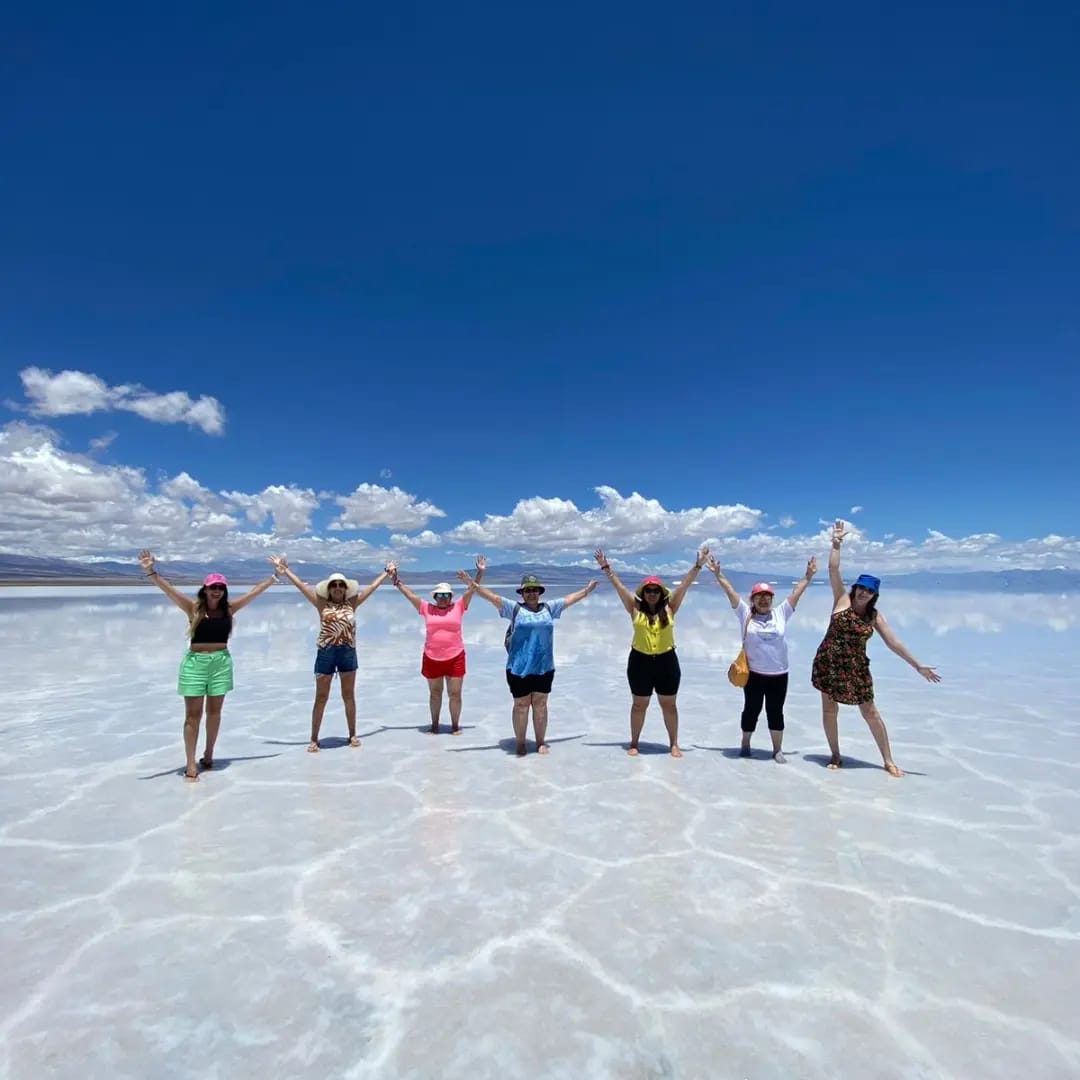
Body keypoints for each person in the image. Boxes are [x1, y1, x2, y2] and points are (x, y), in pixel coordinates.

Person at [811, 520, 941, 776]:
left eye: (869, 591)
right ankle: (835, 754)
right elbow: (833, 568)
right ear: (856, 588)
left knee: (870, 712)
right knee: (829, 709)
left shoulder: (874, 616)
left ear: (874, 595)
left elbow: (894, 643)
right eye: (861, 588)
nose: (864, 593)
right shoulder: (842, 599)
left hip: (856, 669)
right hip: (828, 663)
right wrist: (836, 543)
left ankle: (888, 760)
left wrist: (917, 666)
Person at [138, 549, 280, 782]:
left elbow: (254, 593)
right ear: (205, 589)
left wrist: (274, 577)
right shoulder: (193, 608)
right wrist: (150, 571)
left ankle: (209, 753)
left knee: (214, 712)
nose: (216, 591)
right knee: (192, 716)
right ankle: (191, 763)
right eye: (213, 587)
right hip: (195, 664)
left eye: (220, 588)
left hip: (221, 662)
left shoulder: (229, 609)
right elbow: (169, 590)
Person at [456, 569, 597, 756]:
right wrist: (471, 584)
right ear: (521, 593)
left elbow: (569, 599)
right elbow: (492, 597)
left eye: (535, 590)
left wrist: (586, 591)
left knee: (540, 704)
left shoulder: (549, 608)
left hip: (544, 667)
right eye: (527, 590)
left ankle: (540, 742)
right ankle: (520, 743)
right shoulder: (514, 609)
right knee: (521, 706)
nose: (531, 593)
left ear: (540, 592)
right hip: (518, 667)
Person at [593, 546, 710, 758]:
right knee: (639, 705)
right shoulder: (634, 608)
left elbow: (685, 585)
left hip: (667, 661)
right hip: (640, 662)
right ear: (643, 593)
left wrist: (698, 566)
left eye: (656, 590)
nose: (652, 594)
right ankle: (635, 742)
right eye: (648, 590)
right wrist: (606, 568)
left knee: (669, 705)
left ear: (661, 593)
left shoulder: (670, 607)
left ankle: (674, 744)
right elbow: (618, 586)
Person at [269, 556, 392, 752]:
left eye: (340, 585)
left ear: (345, 588)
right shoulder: (321, 604)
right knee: (321, 697)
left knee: (349, 695)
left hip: (347, 652)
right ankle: (314, 738)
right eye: (334, 585)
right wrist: (285, 571)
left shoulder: (352, 604)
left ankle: (352, 734)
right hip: (326, 652)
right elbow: (301, 586)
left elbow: (371, 588)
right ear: (329, 588)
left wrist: (386, 573)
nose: (337, 588)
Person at [708, 554, 817, 763]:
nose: (764, 599)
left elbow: (797, 592)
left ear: (772, 599)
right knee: (751, 709)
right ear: (753, 599)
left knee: (776, 712)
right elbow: (730, 592)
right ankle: (745, 744)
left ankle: (777, 750)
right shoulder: (744, 613)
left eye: (768, 596)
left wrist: (809, 575)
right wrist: (718, 574)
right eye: (759, 596)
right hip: (755, 674)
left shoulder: (781, 613)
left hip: (779, 675)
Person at [388, 555, 486, 734]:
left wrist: (479, 572)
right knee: (435, 693)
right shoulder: (427, 608)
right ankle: (435, 725)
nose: (442, 598)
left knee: (455, 694)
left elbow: (473, 590)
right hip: (432, 657)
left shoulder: (458, 606)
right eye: (439, 595)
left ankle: (455, 726)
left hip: (455, 656)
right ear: (435, 597)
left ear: (450, 597)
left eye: (446, 595)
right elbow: (410, 594)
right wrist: (395, 580)